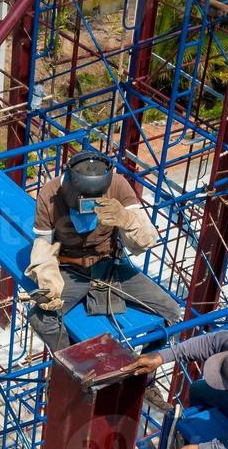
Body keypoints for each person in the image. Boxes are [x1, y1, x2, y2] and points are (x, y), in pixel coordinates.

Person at [25, 148, 182, 351]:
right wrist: (50, 284)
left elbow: (146, 239)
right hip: (71, 270)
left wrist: (127, 220)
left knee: (172, 311)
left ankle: (144, 371)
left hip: (109, 265)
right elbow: (43, 248)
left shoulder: (117, 185)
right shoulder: (50, 194)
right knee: (41, 320)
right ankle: (74, 365)